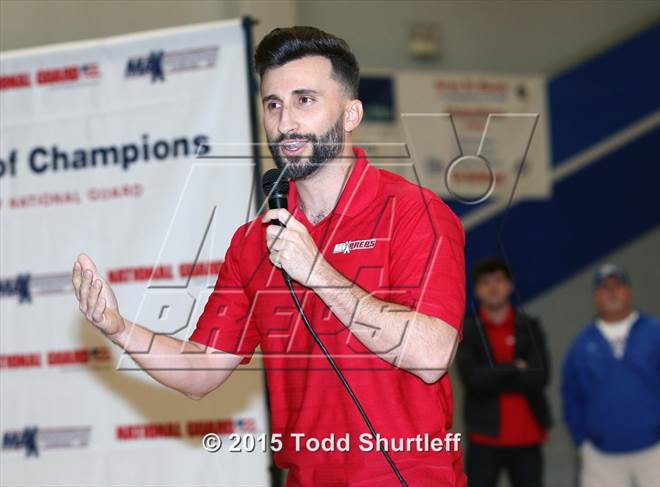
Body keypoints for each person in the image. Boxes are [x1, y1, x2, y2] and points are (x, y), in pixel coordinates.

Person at [72, 26, 468, 486]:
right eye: (273, 104)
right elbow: (201, 370)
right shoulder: (253, 242)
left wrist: (317, 271)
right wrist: (119, 329)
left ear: (351, 113)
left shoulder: (415, 213)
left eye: (305, 101)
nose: (285, 123)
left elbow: (431, 354)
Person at [561, 263, 660, 487]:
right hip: (602, 458)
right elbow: (571, 397)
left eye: (618, 286)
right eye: (605, 287)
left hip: (655, 451)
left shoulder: (654, 332)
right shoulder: (582, 344)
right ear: (596, 296)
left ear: (629, 291)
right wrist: (583, 443)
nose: (612, 292)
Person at [456, 258, 552, 487]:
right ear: (476, 290)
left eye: (498, 280)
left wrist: (492, 375)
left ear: (510, 285)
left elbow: (540, 377)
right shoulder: (467, 331)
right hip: (484, 438)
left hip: (528, 436)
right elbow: (472, 379)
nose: (493, 287)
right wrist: (515, 368)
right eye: (485, 282)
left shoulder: (529, 327)